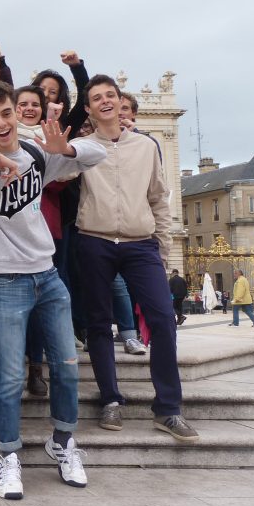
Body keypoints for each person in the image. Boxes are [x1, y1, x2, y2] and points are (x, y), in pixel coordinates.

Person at [0, 82, 107, 499]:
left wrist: (63, 150)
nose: (1, 123)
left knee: (66, 366)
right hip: (4, 281)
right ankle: (9, 456)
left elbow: (99, 152)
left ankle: (63, 443)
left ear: (17, 114)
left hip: (48, 277)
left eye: (6, 114)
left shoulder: (35, 154)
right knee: (9, 378)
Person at [76, 74, 198, 442]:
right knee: (98, 324)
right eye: (97, 98)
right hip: (94, 241)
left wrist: (161, 246)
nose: (105, 101)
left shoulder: (145, 146)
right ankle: (111, 399)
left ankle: (168, 409)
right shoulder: (81, 147)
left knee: (163, 319)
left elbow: (159, 196)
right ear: (88, 109)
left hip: (139, 242)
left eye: (110, 95)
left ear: (119, 100)